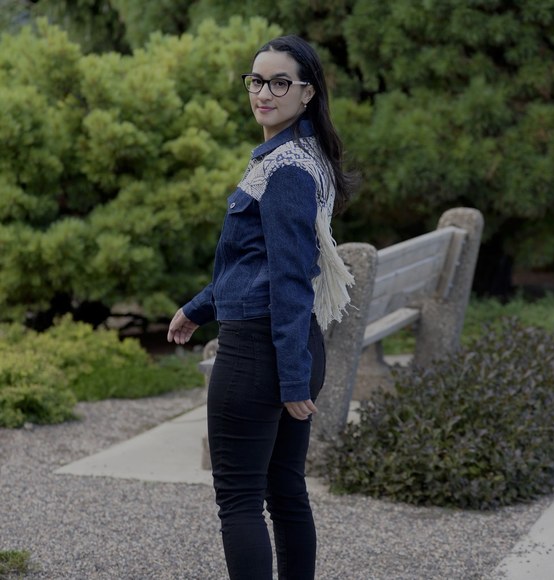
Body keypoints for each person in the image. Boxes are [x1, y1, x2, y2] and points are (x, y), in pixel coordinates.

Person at [167, 34, 356, 580]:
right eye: (257, 81)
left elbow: (290, 277)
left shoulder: (287, 167)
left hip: (262, 352)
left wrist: (292, 379)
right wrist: (200, 308)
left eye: (280, 83)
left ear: (307, 93)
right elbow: (258, 261)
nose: (264, 93)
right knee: (284, 490)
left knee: (240, 499)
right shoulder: (294, 156)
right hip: (286, 344)